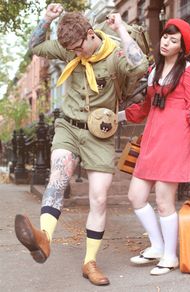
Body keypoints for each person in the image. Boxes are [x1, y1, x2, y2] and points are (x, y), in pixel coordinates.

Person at [14, 3, 148, 286]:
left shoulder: (114, 54)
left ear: (89, 34)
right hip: (68, 127)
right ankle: (44, 239)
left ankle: (89, 263)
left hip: (99, 134)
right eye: (70, 50)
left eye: (78, 48)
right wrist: (46, 20)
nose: (74, 53)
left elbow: (139, 65)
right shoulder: (68, 46)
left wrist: (122, 29)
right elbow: (34, 47)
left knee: (98, 198)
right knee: (58, 178)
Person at [118, 18, 190, 275]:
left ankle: (170, 256)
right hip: (152, 139)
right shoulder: (154, 72)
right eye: (165, 37)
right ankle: (157, 246)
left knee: (163, 201)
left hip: (174, 141)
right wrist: (118, 117)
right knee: (136, 196)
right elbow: (145, 108)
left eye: (173, 40)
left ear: (182, 48)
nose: (166, 42)